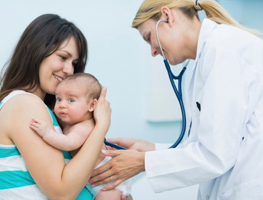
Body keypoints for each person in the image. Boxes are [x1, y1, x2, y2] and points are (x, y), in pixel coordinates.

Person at [89, 0, 263, 199]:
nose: (153, 51)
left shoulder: (224, 51)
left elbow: (215, 156)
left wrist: (142, 162)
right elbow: (203, 146)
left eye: (148, 38)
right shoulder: (204, 60)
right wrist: (151, 150)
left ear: (167, 16)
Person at [0, 14, 112, 200]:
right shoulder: (25, 104)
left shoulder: (42, 109)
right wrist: (101, 126)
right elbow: (63, 193)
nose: (69, 70)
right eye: (63, 57)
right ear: (34, 50)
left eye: (74, 63)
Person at [29, 73, 131, 200]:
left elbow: (69, 143)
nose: (62, 104)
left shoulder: (85, 126)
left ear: (92, 105)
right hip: (96, 182)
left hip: (108, 185)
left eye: (71, 100)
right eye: (59, 99)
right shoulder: (71, 123)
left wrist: (46, 133)